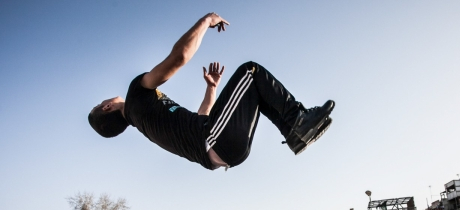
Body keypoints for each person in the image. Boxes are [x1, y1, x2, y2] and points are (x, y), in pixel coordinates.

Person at [88, 12, 334, 170]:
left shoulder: (146, 121)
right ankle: (297, 120)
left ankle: (294, 133)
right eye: (103, 101)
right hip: (216, 140)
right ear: (107, 107)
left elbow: (202, 117)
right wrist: (206, 21)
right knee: (251, 71)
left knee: (255, 91)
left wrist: (211, 88)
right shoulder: (136, 96)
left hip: (224, 148)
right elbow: (179, 57)